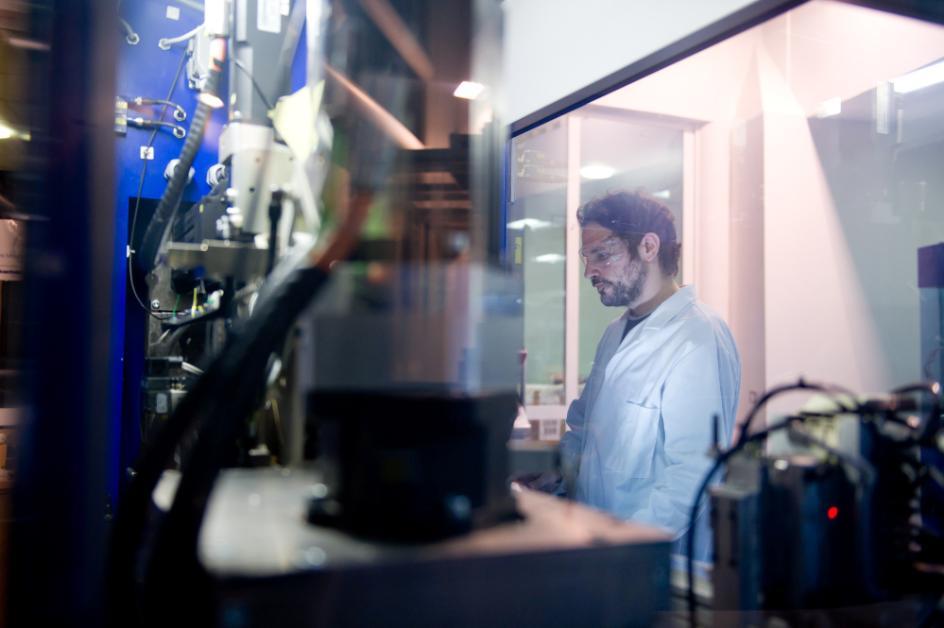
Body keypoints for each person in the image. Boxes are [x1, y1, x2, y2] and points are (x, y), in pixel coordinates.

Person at [559, 191, 740, 560]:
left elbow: (692, 477)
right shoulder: (614, 334)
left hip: (654, 566)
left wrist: (622, 546)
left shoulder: (698, 337)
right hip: (599, 552)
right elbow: (583, 430)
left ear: (649, 246)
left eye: (602, 255)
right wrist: (553, 473)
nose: (589, 271)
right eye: (586, 257)